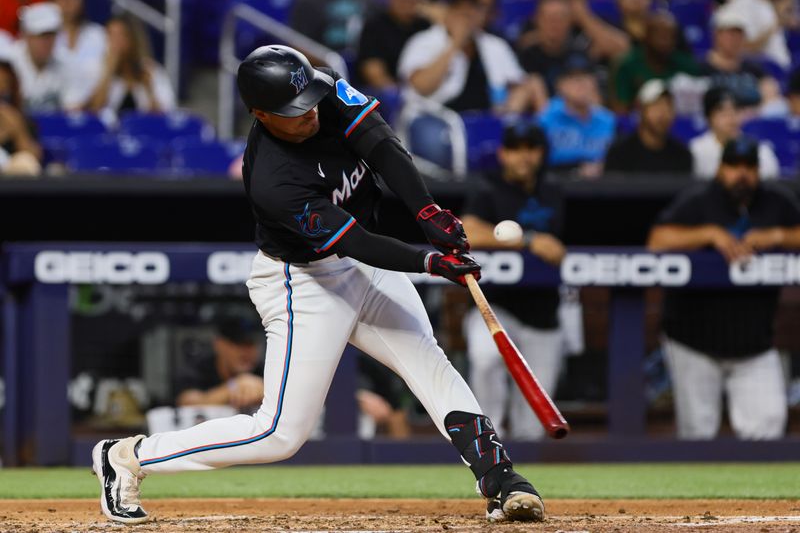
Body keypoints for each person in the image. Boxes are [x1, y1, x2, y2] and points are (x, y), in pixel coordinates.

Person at [91, 45, 545, 525]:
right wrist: (428, 260)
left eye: (309, 99)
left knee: (429, 362)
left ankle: (501, 479)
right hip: (304, 282)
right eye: (293, 110)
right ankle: (127, 457)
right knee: (278, 435)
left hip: (366, 266)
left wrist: (426, 211)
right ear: (260, 114)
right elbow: (356, 242)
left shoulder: (321, 88)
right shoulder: (274, 181)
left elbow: (382, 145)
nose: (309, 112)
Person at [647, 136, 800, 440]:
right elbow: (657, 241)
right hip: (694, 340)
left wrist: (778, 235)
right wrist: (709, 234)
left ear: (759, 170)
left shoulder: (776, 201)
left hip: (754, 342)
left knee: (768, 425)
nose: (741, 174)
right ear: (720, 168)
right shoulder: (699, 199)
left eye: (748, 166)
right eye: (733, 166)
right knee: (697, 433)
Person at [461, 122, 566, 440]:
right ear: (504, 154)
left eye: (531, 149)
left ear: (541, 154)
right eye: (517, 149)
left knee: (533, 424)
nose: (524, 157)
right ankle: (488, 445)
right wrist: (527, 240)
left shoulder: (553, 191)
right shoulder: (487, 189)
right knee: (485, 359)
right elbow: (467, 231)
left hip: (544, 313)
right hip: (494, 308)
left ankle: (525, 482)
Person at [397, 0, 546, 113]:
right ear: (449, 12)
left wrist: (509, 111)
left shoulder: (495, 45)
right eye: (463, 11)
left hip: (485, 122)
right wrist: (455, 44)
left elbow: (520, 86)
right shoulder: (424, 41)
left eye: (474, 10)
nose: (469, 17)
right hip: (435, 122)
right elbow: (422, 86)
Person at [537, 55, 616, 178]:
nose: (581, 83)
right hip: (558, 185)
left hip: (600, 187)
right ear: (560, 85)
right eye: (573, 78)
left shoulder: (608, 120)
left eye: (586, 76)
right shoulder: (546, 119)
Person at [87, 14, 176, 117]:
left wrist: (149, 89)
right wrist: (108, 72)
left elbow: (165, 117)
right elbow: (93, 114)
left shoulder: (152, 70)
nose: (116, 43)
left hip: (142, 131)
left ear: (133, 39)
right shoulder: (97, 69)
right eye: (111, 36)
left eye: (121, 36)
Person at [611, 10, 698, 112]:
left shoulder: (685, 64)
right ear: (647, 36)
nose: (666, 42)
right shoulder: (627, 65)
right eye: (660, 36)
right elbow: (621, 110)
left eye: (670, 37)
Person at [8, 2, 88, 112]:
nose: (46, 42)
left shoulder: (66, 63)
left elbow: (73, 109)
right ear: (26, 35)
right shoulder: (9, 62)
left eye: (51, 35)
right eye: (41, 35)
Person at [604, 79, 692, 176]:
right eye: (656, 105)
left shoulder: (681, 155)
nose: (663, 113)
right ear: (641, 110)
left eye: (668, 106)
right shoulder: (619, 153)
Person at [174, 317, 264, 410]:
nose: (246, 351)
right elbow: (187, 404)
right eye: (238, 343)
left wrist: (264, 391)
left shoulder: (265, 370)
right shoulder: (198, 368)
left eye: (252, 344)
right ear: (219, 344)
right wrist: (233, 386)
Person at [690, 87, 780, 179]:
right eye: (723, 112)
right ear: (708, 117)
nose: (731, 118)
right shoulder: (696, 151)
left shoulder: (761, 151)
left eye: (736, 111)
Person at [699, 6, 777, 110]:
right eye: (730, 34)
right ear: (717, 35)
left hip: (751, 120)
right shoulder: (701, 67)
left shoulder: (753, 68)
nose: (734, 40)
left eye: (739, 34)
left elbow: (770, 95)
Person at [356, 0, 431, 90]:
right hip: (386, 94)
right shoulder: (374, 26)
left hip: (423, 89)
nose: (407, 3)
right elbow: (373, 71)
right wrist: (397, 94)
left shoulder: (426, 26)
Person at [54, 0, 107, 101]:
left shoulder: (98, 35)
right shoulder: (43, 36)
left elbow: (108, 75)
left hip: (94, 110)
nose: (67, 2)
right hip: (54, 110)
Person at [0, 60, 42, 176]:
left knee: (25, 161)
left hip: (10, 182)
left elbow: (33, 159)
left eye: (3, 93)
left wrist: (18, 130)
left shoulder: (22, 120)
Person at [724, 0, 793, 69]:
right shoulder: (743, 4)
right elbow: (747, 46)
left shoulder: (766, 4)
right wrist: (775, 25)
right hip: (765, 66)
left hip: (782, 65)